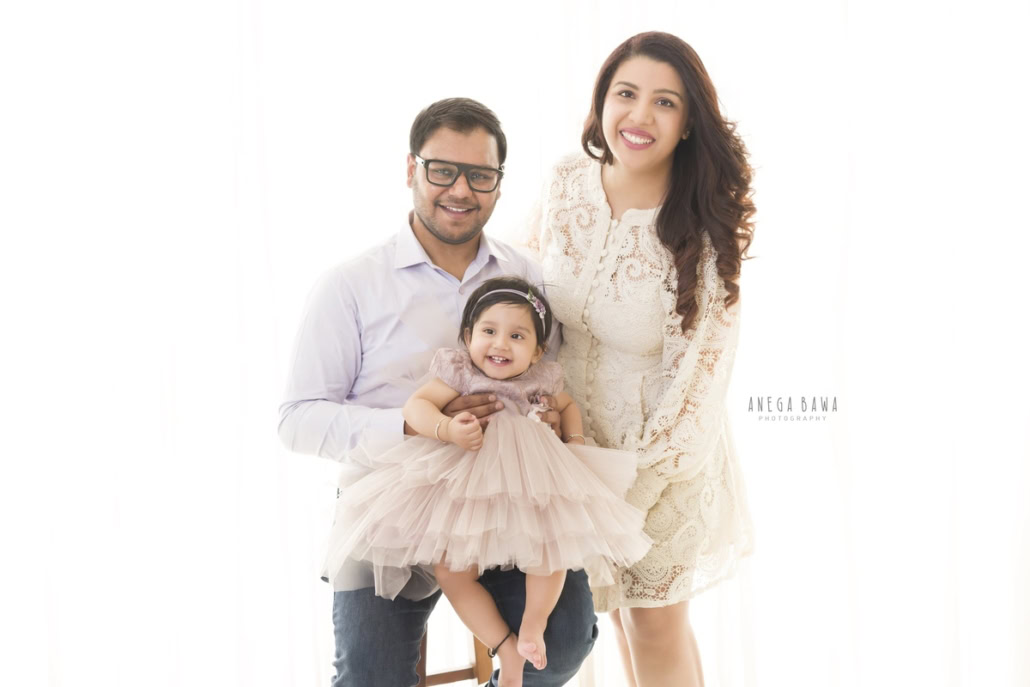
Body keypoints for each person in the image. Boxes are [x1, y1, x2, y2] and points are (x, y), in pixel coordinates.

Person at [279, 99, 598, 687]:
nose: (460, 190)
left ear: (499, 183)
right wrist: (415, 423)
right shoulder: (351, 284)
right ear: (411, 169)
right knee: (371, 679)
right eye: (442, 170)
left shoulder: (528, 276)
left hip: (506, 503)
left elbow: (549, 381)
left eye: (480, 175)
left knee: (561, 643)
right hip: (390, 507)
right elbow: (296, 420)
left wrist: (552, 426)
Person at [526, 32, 756, 687]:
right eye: (626, 94)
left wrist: (638, 484)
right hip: (575, 447)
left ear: (688, 123)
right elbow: (520, 279)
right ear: (602, 100)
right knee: (623, 621)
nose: (639, 115)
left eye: (665, 102)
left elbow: (701, 379)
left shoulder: (703, 222)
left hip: (663, 455)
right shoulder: (566, 180)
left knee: (655, 623)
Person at [323, 276, 651, 687]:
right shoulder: (459, 372)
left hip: (533, 486)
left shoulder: (542, 378)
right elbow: (417, 405)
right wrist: (446, 427)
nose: (501, 344)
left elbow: (567, 406)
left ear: (537, 352)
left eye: (517, 336)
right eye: (489, 332)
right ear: (468, 337)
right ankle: (503, 643)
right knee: (452, 571)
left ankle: (532, 627)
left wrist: (575, 442)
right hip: (463, 490)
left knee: (550, 552)